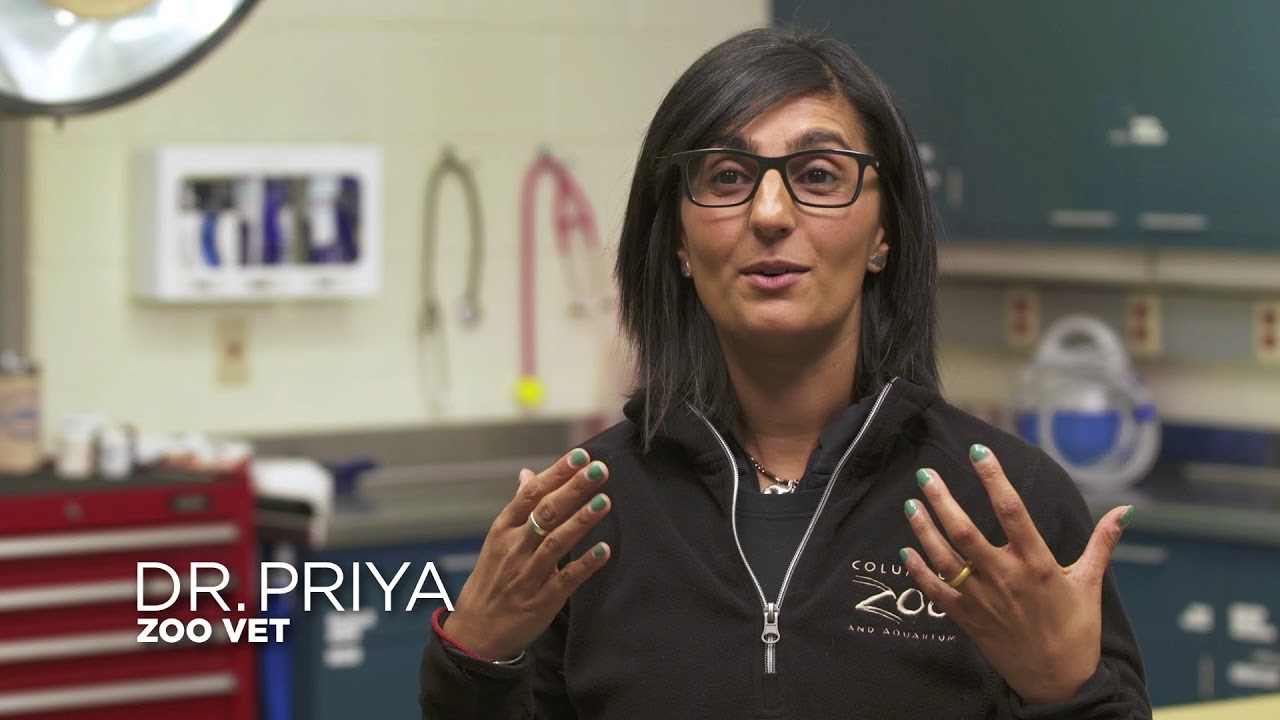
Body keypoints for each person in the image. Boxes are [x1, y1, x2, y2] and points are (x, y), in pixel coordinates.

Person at [419, 26, 1152, 719]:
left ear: (884, 233)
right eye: (728, 176)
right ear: (677, 239)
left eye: (819, 175)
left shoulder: (1003, 508)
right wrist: (477, 660)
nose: (770, 213)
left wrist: (1065, 692)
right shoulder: (590, 517)